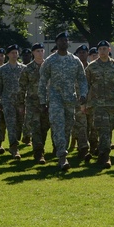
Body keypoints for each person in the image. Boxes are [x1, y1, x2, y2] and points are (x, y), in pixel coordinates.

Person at [38, 32, 88, 170]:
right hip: (55, 98)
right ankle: (62, 158)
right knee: (58, 125)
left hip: (70, 99)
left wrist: (83, 94)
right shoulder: (50, 61)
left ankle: (60, 149)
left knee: (67, 127)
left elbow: (82, 79)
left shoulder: (74, 60)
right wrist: (43, 101)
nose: (63, 42)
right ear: (57, 43)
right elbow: (42, 82)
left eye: (65, 40)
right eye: (61, 40)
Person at [84, 40, 114, 167]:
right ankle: (105, 157)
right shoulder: (91, 67)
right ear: (97, 51)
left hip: (112, 104)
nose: (102, 51)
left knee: (108, 129)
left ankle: (100, 151)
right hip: (97, 105)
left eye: (105, 49)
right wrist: (84, 103)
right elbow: (84, 86)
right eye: (100, 49)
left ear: (109, 50)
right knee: (103, 129)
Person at [19, 43, 49, 164]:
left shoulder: (49, 66)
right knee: (36, 127)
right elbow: (21, 86)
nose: (40, 53)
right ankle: (38, 153)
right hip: (33, 103)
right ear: (33, 53)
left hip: (48, 103)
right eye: (37, 51)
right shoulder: (28, 69)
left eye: (42, 51)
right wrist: (21, 103)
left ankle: (41, 148)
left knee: (45, 127)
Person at [0, 45, 26, 158]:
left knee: (19, 125)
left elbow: (27, 86)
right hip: (7, 102)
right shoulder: (2, 70)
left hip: (20, 102)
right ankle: (14, 148)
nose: (14, 55)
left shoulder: (23, 68)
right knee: (11, 124)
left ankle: (15, 142)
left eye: (16, 52)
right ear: (8, 55)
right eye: (12, 53)